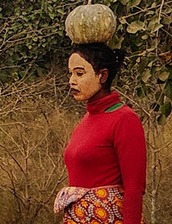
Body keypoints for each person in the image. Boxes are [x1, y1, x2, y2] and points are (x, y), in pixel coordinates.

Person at [57, 42, 147, 224]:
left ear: (102, 75)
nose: (72, 80)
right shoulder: (86, 119)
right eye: (71, 73)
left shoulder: (124, 119)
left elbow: (134, 188)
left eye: (79, 73)